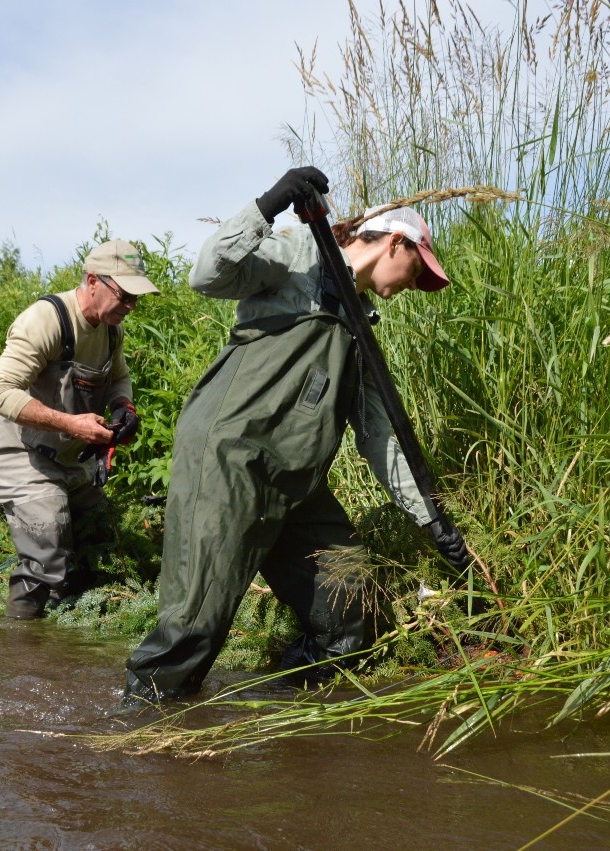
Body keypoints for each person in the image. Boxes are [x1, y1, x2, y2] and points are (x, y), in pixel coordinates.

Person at [123, 167, 471, 703]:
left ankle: (289, 716)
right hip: (229, 462)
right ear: (395, 242)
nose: (413, 285)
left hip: (295, 483)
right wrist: (267, 206)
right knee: (195, 624)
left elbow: (381, 438)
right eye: (416, 269)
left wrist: (435, 525)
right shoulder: (296, 257)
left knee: (353, 602)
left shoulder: (361, 331)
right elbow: (208, 275)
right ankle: (136, 731)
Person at [0, 239, 160, 619]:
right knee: (49, 549)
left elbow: (119, 379)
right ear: (92, 280)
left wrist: (123, 407)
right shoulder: (46, 320)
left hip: (67, 462)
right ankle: (21, 650)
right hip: (20, 457)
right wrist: (70, 424)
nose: (131, 307)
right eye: (124, 295)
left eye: (136, 299)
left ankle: (70, 626)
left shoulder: (111, 330)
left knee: (98, 538)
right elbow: (0, 395)